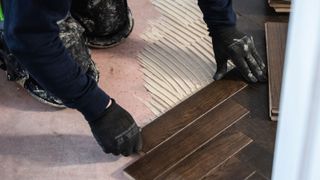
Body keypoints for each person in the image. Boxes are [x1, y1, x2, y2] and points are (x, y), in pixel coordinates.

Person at [1, 0, 266, 157]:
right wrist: (98, 109)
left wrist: (222, 24)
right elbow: (30, 36)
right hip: (21, 21)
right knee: (69, 69)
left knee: (108, 21)